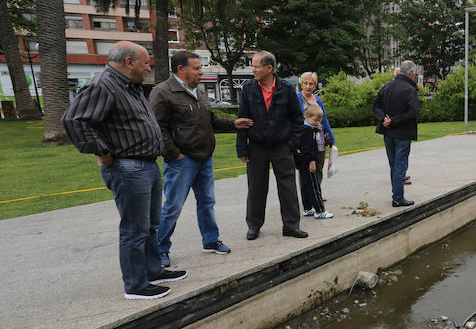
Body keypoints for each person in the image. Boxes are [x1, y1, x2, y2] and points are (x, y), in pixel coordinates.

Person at [61, 41, 186, 300]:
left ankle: (153, 270)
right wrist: (103, 153)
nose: (148, 67)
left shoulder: (129, 87)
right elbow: (75, 121)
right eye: (145, 62)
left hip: (147, 165)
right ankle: (136, 284)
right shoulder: (103, 85)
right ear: (129, 62)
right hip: (128, 167)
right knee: (134, 228)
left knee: (151, 224)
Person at [150, 51, 253, 268]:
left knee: (207, 202)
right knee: (173, 207)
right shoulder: (162, 92)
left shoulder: (199, 90)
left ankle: (210, 240)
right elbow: (158, 129)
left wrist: (233, 124)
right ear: (181, 69)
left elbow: (210, 119)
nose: (201, 71)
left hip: (205, 158)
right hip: (182, 161)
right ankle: (160, 248)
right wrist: (175, 154)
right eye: (196, 68)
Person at [237, 51, 307, 240]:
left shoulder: (286, 88)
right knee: (256, 188)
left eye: (256, 66)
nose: (253, 70)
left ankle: (291, 226)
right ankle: (254, 225)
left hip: (281, 146)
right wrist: (242, 148)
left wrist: (292, 144)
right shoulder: (248, 89)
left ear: (269, 68)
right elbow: (242, 120)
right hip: (257, 146)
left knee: (288, 187)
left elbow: (297, 119)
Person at [374, 59, 419, 207]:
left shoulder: (386, 86)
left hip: (388, 133)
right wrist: (393, 121)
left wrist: (384, 119)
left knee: (393, 165)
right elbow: (412, 113)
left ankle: (396, 194)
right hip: (402, 133)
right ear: (411, 73)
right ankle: (398, 198)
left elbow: (376, 106)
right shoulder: (410, 90)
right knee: (400, 166)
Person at [296, 72, 335, 196]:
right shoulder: (296, 99)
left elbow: (324, 120)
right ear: (301, 84)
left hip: (319, 140)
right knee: (306, 169)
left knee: (318, 168)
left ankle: (317, 192)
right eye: (305, 83)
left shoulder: (318, 100)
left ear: (315, 85)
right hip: (304, 140)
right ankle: (307, 196)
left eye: (311, 84)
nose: (308, 86)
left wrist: (331, 138)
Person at [296, 103, 333, 219]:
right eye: (315, 120)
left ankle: (307, 208)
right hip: (308, 162)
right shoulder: (308, 131)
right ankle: (320, 210)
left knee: (306, 186)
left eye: (319, 121)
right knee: (313, 186)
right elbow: (308, 148)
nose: (317, 122)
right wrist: (312, 161)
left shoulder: (304, 129)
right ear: (307, 117)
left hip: (302, 163)